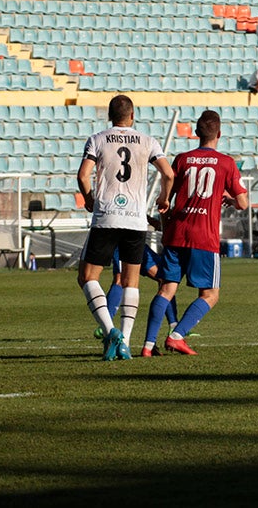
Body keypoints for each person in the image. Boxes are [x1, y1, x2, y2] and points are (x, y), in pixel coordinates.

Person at [142, 110, 249, 357]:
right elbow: (243, 203)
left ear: (196, 133)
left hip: (177, 233)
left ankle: (147, 346)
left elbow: (166, 198)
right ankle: (177, 336)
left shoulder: (182, 159)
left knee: (166, 289)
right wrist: (229, 199)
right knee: (210, 294)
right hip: (204, 237)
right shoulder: (226, 163)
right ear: (219, 134)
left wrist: (165, 224)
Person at [76, 94, 174, 361]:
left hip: (107, 216)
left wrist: (89, 199)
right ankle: (126, 342)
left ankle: (111, 332)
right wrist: (164, 198)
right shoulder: (148, 141)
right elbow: (168, 173)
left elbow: (83, 175)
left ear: (110, 116)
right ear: (132, 116)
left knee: (87, 277)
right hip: (135, 219)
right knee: (131, 281)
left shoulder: (97, 139)